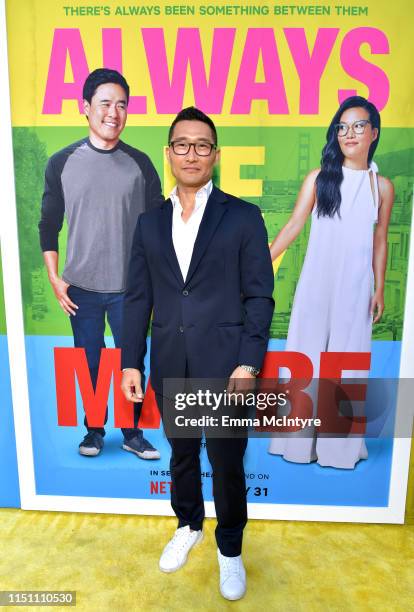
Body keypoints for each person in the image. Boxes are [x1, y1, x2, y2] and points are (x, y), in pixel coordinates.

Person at [121, 107, 274, 600]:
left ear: (216, 154)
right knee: (182, 456)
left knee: (227, 464)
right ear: (169, 154)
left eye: (202, 145)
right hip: (171, 364)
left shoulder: (243, 217)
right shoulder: (148, 223)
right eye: (182, 144)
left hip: (229, 369)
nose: (192, 153)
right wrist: (130, 361)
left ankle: (230, 550)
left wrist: (249, 362)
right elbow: (138, 298)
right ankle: (188, 525)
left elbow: (260, 297)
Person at [39, 68, 163, 459]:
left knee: (132, 362)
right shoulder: (62, 162)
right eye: (106, 103)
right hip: (82, 289)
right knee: (89, 363)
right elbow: (49, 223)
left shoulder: (140, 164)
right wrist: (55, 279)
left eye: (122, 104)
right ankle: (94, 432)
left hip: (130, 288)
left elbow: (156, 228)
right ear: (86, 108)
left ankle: (132, 433)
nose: (114, 111)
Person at [268, 96, 394, 469]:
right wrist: (262, 262)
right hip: (315, 284)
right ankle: (296, 445)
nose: (349, 133)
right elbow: (293, 226)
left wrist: (380, 287)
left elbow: (380, 239)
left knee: (346, 364)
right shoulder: (320, 178)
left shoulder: (381, 187)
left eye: (358, 126)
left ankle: (338, 451)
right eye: (342, 126)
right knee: (304, 358)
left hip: (356, 288)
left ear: (373, 132)